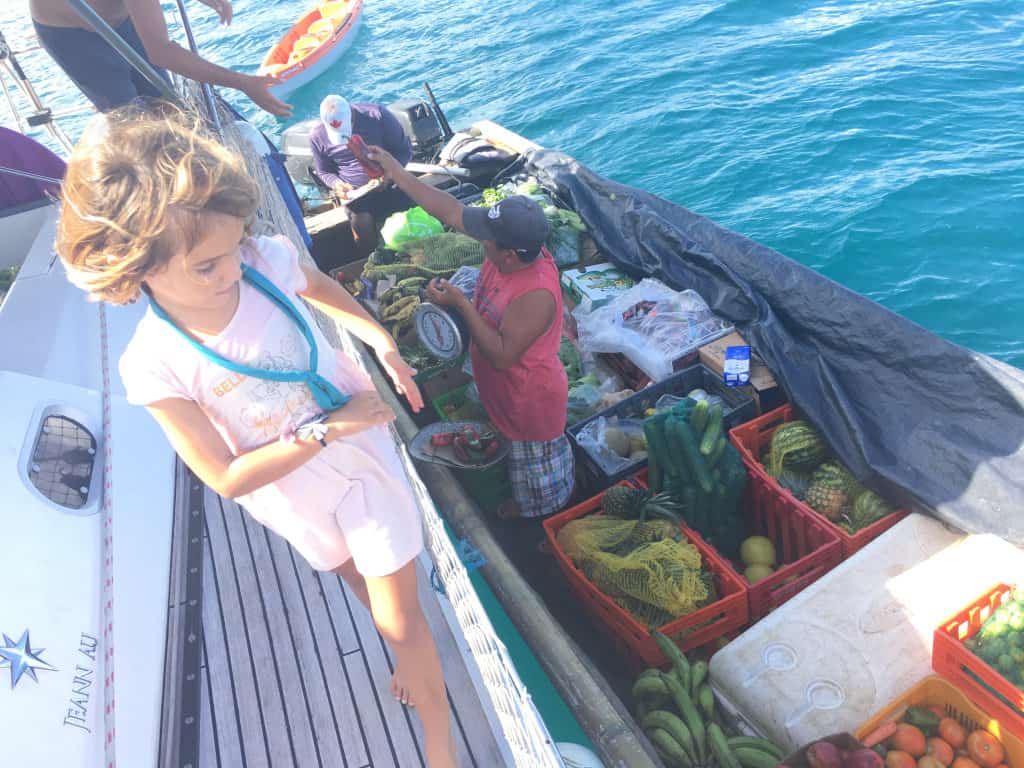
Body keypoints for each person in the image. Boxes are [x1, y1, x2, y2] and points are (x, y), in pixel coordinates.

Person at [55, 108, 455, 768]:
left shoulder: (263, 257)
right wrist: (322, 432)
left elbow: (321, 286)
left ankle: (441, 749)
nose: (233, 272)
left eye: (234, 248)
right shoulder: (154, 365)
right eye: (208, 266)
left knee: (405, 619)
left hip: (359, 457)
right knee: (365, 588)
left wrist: (381, 342)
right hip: (293, 488)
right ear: (135, 270)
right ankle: (405, 660)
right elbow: (224, 477)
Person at [367, 144, 575, 520]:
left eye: (487, 238)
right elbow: (449, 209)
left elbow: (502, 353)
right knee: (513, 456)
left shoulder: (536, 294)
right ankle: (522, 502)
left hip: (531, 400)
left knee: (539, 470)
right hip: (501, 388)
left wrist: (460, 303)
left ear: (510, 254)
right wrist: (397, 172)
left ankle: (543, 520)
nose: (478, 237)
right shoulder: (508, 251)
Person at [30, 0, 291, 116]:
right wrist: (244, 82)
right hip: (70, 35)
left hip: (121, 17)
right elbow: (161, 52)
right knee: (133, 122)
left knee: (167, 108)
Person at [310, 94, 413, 257]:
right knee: (361, 222)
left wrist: (390, 173)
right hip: (355, 194)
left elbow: (404, 151)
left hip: (392, 180)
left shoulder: (378, 115)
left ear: (351, 113)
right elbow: (324, 171)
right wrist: (337, 184)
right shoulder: (317, 136)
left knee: (408, 218)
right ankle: (372, 258)